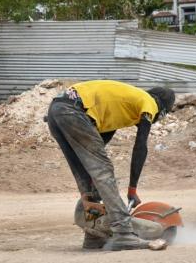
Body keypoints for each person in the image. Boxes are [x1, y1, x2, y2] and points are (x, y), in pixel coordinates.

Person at [46, 80, 175, 251]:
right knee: (103, 170)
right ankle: (124, 233)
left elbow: (97, 148)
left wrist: (90, 183)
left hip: (57, 110)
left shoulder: (120, 106)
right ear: (162, 110)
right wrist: (132, 189)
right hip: (73, 110)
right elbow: (140, 146)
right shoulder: (149, 102)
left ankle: (94, 235)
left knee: (91, 173)